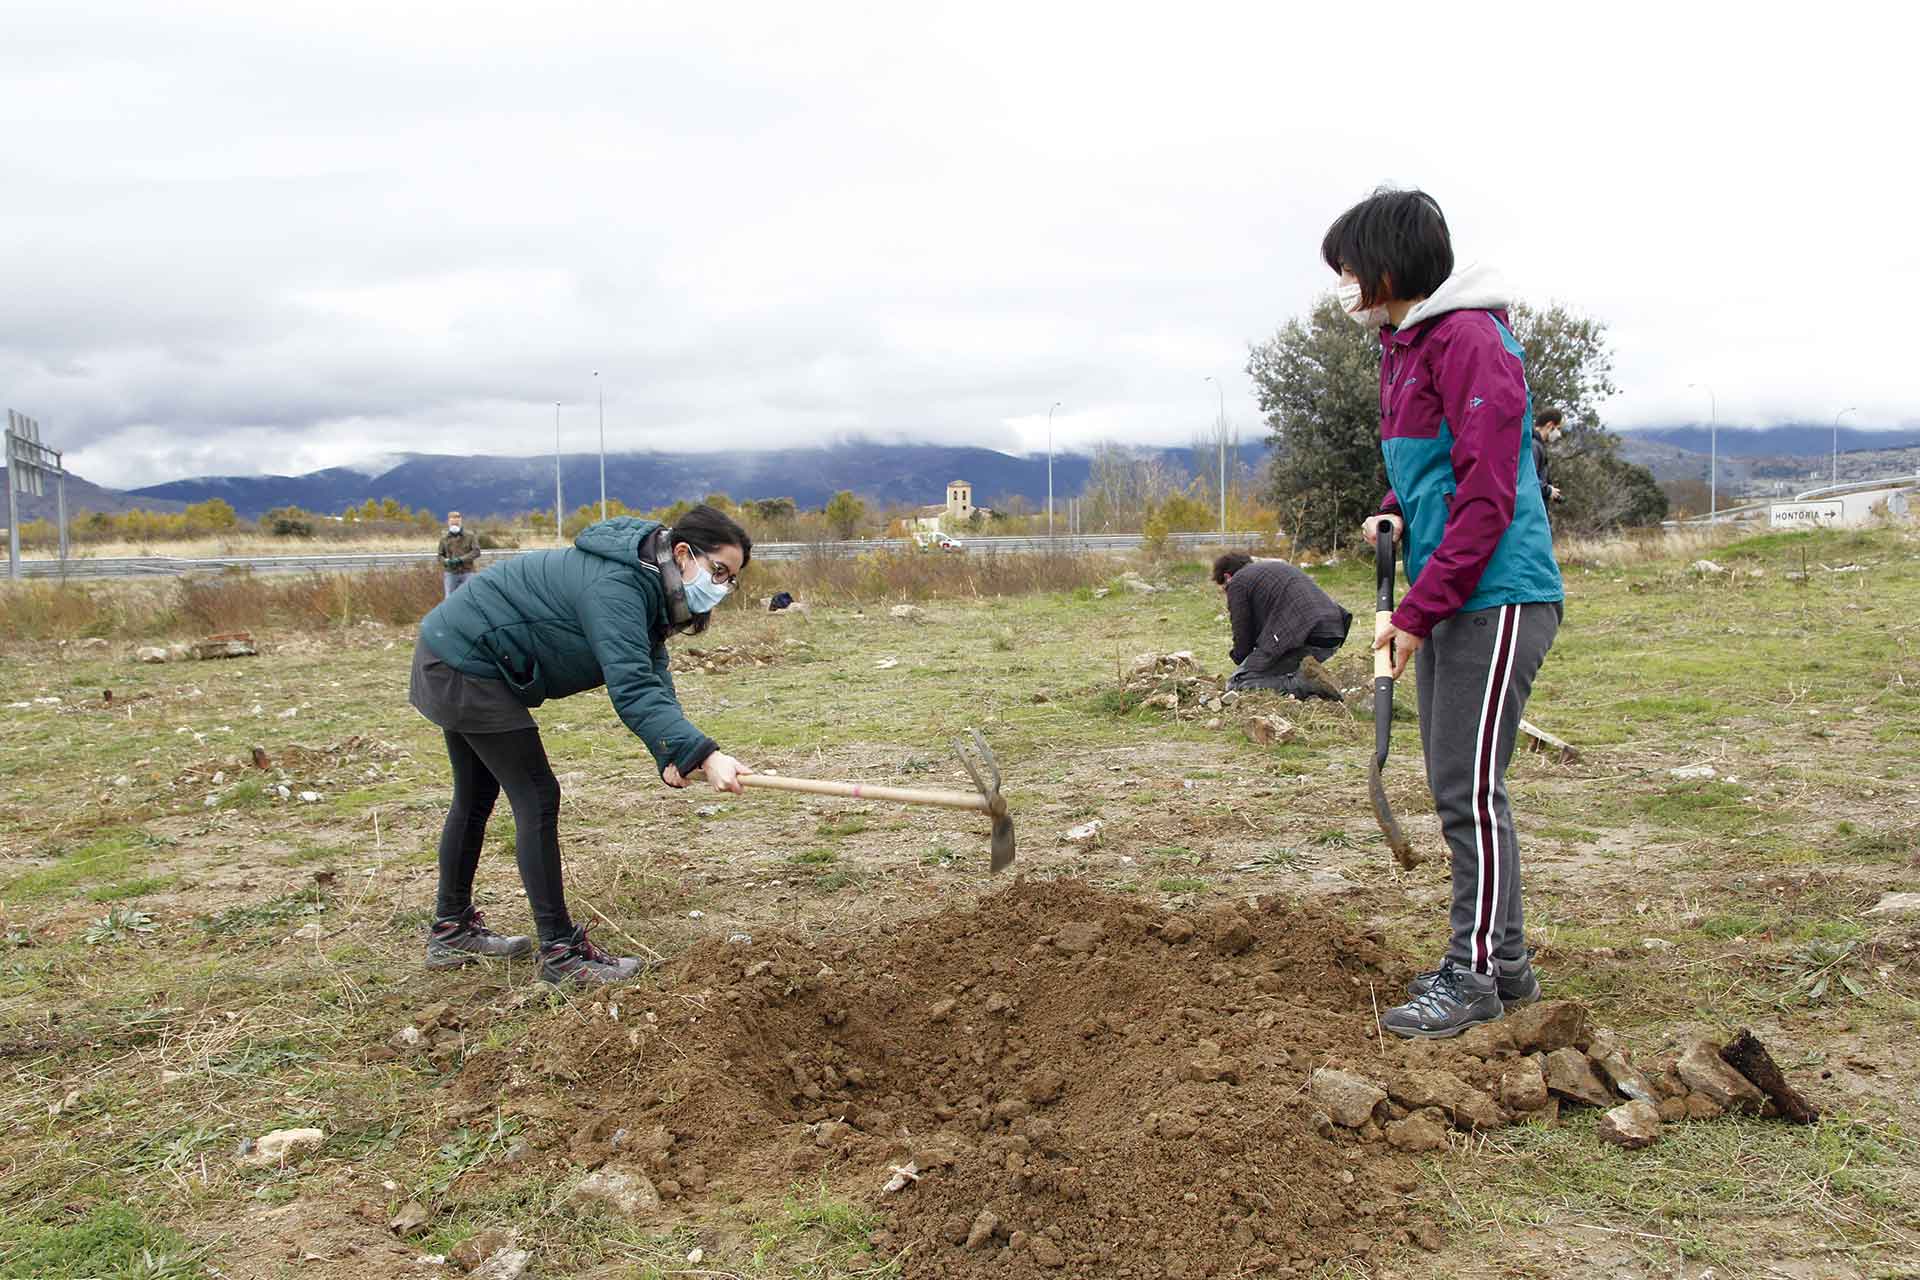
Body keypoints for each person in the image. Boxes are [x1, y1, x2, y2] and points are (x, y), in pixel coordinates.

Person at [1322, 186, 1565, 1038]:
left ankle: (1473, 977)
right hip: (1456, 592)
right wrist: (1394, 504)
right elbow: (1438, 469)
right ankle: (1508, 962)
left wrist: (1417, 612)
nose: (1343, 280)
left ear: (1387, 264)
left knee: (1467, 791)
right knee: (1454, 785)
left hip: (1497, 595)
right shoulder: (1408, 343)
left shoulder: (1468, 339)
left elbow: (1488, 494)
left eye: (1348, 265)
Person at [408, 505, 754, 985]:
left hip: (460, 653)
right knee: (536, 795)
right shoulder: (617, 586)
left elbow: (650, 672)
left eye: (730, 580)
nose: (720, 586)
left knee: (478, 795)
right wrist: (706, 754)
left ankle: (451, 929)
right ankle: (560, 953)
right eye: (718, 570)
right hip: (463, 663)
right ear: (682, 552)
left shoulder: (646, 581)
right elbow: (631, 687)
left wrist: (675, 755)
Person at [1211, 552, 1350, 700]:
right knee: (1275, 672)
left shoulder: (1238, 581)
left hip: (1304, 635)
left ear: (1227, 577)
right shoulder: (1276, 569)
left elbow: (1242, 632)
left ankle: (1305, 684)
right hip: (1333, 634)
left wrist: (1242, 663)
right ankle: (1308, 680)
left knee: (1238, 683)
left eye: (1224, 589)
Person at [438, 511, 482, 597]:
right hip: (451, 573)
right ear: (448, 522)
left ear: (460, 522)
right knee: (449, 599)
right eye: (452, 522)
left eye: (456, 522)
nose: (454, 524)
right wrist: (445, 561)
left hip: (467, 572)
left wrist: (461, 560)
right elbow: (440, 555)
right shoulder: (444, 538)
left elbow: (476, 552)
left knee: (470, 597)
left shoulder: (470, 536)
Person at [1534, 408, 1566, 510]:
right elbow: (1529, 480)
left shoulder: (1537, 445)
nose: (1559, 434)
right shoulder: (1534, 446)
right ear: (1550, 425)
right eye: (1559, 428)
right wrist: (1548, 491)